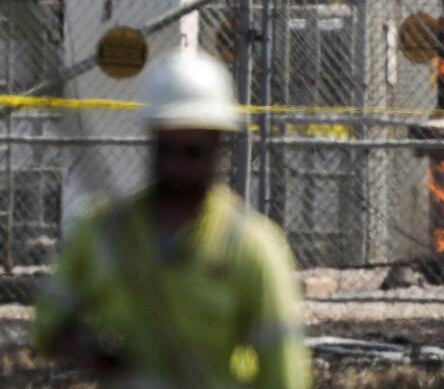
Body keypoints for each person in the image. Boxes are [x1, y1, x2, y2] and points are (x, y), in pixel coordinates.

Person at [33, 49, 310, 388]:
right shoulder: (103, 232)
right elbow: (48, 323)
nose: (178, 165)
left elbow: (283, 369)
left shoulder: (251, 246)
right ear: (152, 141)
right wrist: (87, 349)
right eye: (167, 149)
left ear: (219, 145)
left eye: (193, 151)